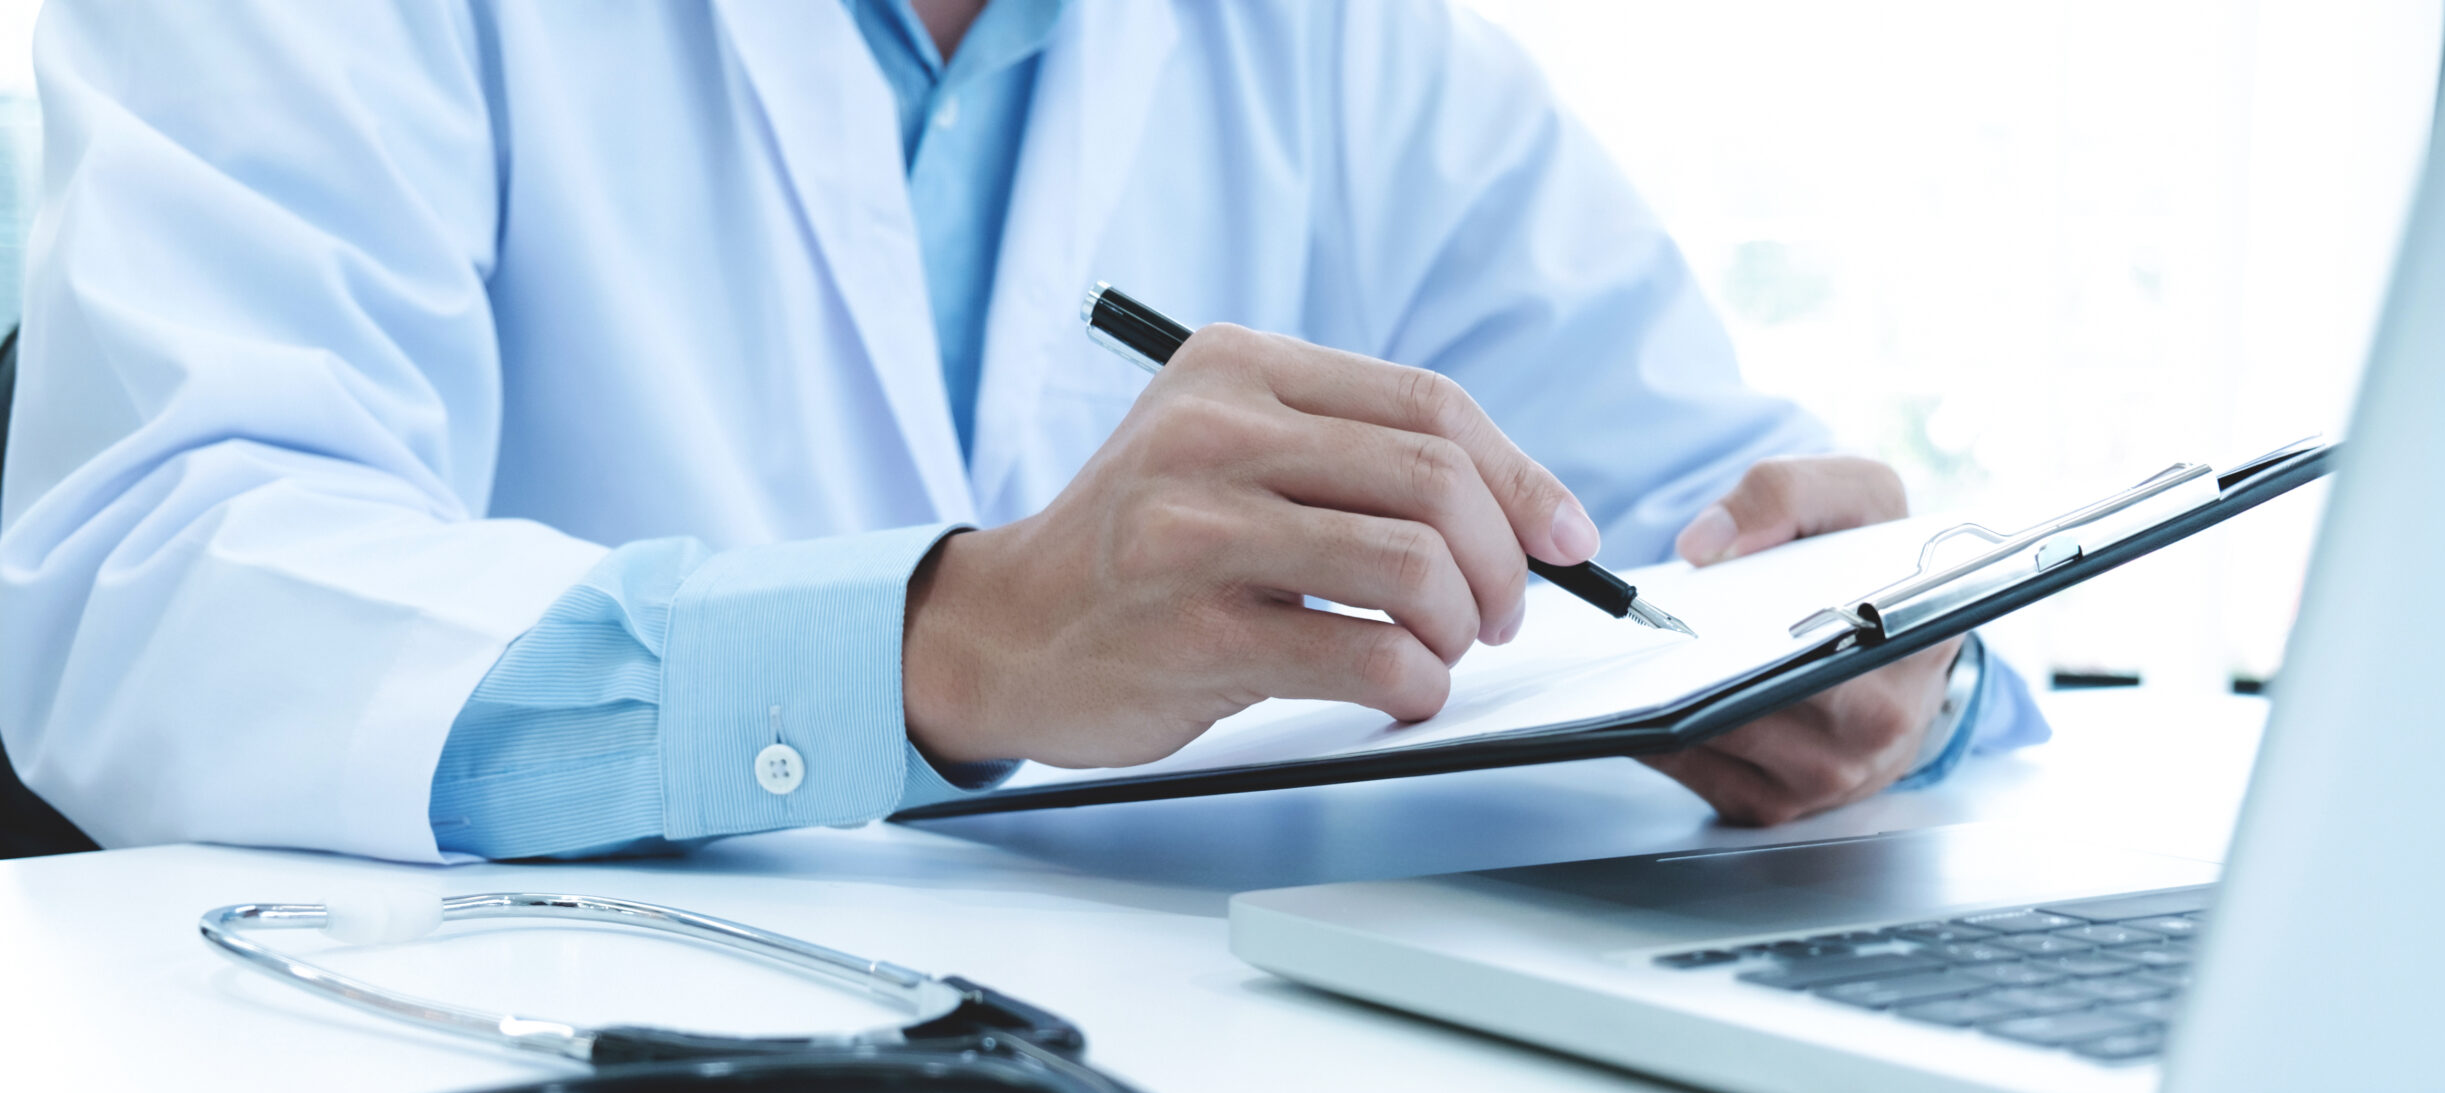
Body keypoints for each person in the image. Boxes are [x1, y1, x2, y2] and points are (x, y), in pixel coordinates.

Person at [0, 0, 2043, 863]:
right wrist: (944, 642)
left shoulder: (1329, 45)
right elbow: (166, 572)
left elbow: (1718, 533)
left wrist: (1880, 675)